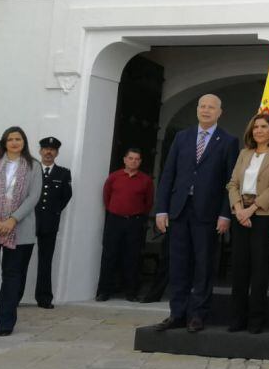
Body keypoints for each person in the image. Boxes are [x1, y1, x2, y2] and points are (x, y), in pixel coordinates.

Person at [152, 94, 239, 334]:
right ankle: (176, 313)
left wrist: (225, 214)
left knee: (203, 266)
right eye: (202, 106)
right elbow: (167, 174)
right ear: (197, 109)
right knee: (178, 265)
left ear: (220, 112)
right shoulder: (182, 137)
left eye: (211, 107)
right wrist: (162, 208)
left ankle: (197, 315)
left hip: (208, 214)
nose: (206, 110)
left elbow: (230, 181)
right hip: (179, 210)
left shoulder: (229, 141)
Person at [0, 127, 43, 336]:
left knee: (12, 277)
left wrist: (13, 219)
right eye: (10, 139)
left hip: (18, 229)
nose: (14, 142)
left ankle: (5, 324)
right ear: (4, 143)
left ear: (24, 142)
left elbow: (33, 196)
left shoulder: (34, 166)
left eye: (18, 139)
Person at [226, 113, 269, 334]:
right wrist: (239, 210)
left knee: (259, 269)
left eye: (263, 126)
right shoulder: (244, 153)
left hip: (264, 215)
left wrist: (252, 209)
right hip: (241, 214)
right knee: (239, 268)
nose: (258, 130)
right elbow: (232, 184)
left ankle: (256, 320)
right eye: (255, 127)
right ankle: (237, 319)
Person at [96, 148, 154, 302]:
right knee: (109, 255)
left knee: (132, 257)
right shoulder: (114, 177)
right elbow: (106, 197)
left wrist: (138, 215)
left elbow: (148, 203)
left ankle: (131, 292)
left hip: (134, 222)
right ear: (124, 159)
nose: (133, 161)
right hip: (115, 220)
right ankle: (104, 291)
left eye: (136, 159)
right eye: (130, 158)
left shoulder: (146, 180)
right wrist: (115, 211)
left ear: (140, 162)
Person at [24, 136, 72, 309]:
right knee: (21, 260)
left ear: (57, 152)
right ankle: (15, 296)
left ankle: (44, 298)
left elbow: (66, 196)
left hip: (49, 223)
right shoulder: (31, 169)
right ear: (40, 151)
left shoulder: (63, 173)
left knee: (46, 261)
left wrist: (53, 211)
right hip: (28, 221)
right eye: (45, 149)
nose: (48, 152)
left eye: (52, 150)